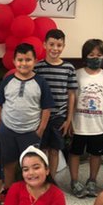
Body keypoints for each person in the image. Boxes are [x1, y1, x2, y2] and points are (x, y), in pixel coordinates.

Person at [0, 41, 55, 188]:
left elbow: (46, 108)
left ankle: (29, 192)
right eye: (20, 60)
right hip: (7, 130)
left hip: (31, 132)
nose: (24, 63)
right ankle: (9, 191)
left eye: (28, 60)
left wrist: (40, 130)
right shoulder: (8, 80)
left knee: (30, 166)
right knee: (9, 163)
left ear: (35, 61)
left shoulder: (40, 82)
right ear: (14, 61)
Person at [68, 38, 103, 198]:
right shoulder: (77, 75)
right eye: (91, 54)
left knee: (96, 154)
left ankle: (92, 181)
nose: (95, 57)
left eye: (99, 55)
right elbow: (72, 99)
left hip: (98, 125)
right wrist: (69, 120)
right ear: (85, 56)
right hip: (79, 124)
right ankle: (74, 181)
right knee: (75, 153)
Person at [34, 29, 78, 179]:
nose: (55, 48)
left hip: (59, 117)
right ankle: (42, 179)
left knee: (54, 150)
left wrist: (69, 119)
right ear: (44, 45)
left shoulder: (69, 68)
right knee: (42, 149)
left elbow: (71, 94)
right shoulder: (37, 67)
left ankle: (51, 180)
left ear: (63, 46)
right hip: (40, 117)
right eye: (52, 44)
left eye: (59, 45)